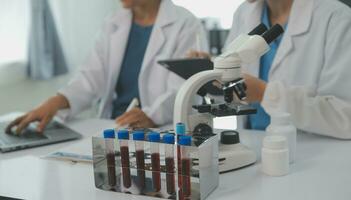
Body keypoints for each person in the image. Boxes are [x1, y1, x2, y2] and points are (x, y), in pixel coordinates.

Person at [6, 0, 208, 134]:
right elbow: (91, 76)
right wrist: (55, 102)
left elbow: (183, 89)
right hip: (114, 126)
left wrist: (151, 116)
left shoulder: (185, 24)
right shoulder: (113, 22)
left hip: (161, 130)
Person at [191, 0, 351, 139]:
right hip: (252, 142)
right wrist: (213, 73)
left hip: (313, 152)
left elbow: (345, 116)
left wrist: (264, 93)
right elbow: (230, 93)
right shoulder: (244, 12)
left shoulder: (336, 18)